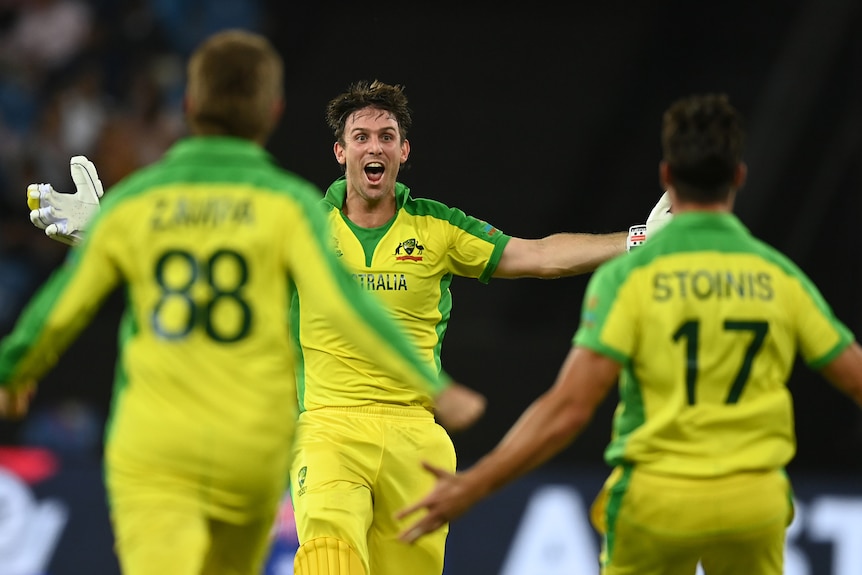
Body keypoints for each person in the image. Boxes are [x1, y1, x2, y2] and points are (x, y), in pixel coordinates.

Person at [22, 77, 668, 575]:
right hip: (327, 425)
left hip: (418, 437)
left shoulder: (437, 227)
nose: (375, 146)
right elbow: (197, 268)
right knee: (328, 545)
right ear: (341, 153)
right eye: (362, 136)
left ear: (404, 151)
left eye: (386, 135)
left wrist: (639, 239)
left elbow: (538, 254)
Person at [0, 30, 471, 575]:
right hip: (250, 443)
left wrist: (15, 369)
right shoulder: (290, 207)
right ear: (272, 112)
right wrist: (435, 384)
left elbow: (61, 310)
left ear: (191, 106)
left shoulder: (141, 202)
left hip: (157, 439)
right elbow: (349, 307)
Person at [395, 93, 862, 575]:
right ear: (738, 176)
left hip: (659, 497)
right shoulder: (779, 276)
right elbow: (855, 377)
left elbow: (569, 408)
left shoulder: (631, 280)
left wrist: (476, 483)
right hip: (753, 500)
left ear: (666, 176)